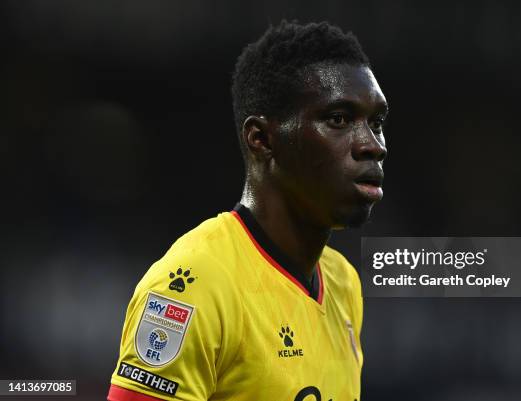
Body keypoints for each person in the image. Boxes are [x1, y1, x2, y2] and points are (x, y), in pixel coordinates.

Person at [107, 20, 388, 401]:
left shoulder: (343, 283)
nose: (372, 145)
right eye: (338, 119)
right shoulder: (192, 286)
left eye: (376, 123)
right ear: (262, 140)